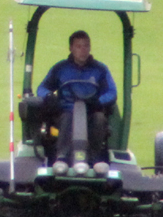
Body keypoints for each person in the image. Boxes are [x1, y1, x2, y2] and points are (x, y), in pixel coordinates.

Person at [31, 30, 117, 163]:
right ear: (71, 48)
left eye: (86, 46)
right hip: (66, 112)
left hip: (90, 112)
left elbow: (112, 92)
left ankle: (92, 158)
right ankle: (62, 157)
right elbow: (42, 88)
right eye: (79, 46)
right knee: (67, 117)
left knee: (99, 119)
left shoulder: (100, 69)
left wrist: (98, 102)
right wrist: (48, 97)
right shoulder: (60, 69)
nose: (83, 50)